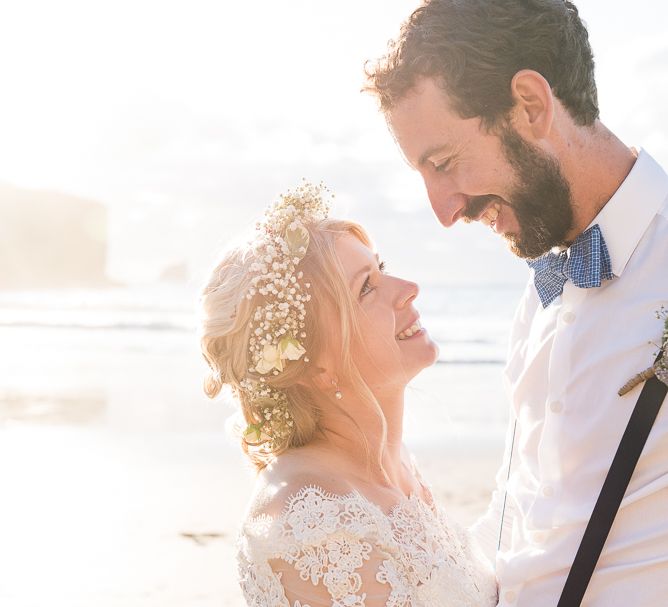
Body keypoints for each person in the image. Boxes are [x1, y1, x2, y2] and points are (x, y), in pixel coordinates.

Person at [365, 1, 668, 605]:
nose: (444, 211)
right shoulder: (539, 292)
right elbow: (519, 517)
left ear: (530, 105)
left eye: (444, 164)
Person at [198, 182, 498, 606]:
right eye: (366, 288)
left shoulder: (393, 463)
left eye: (381, 268)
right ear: (314, 364)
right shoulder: (309, 524)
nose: (408, 287)